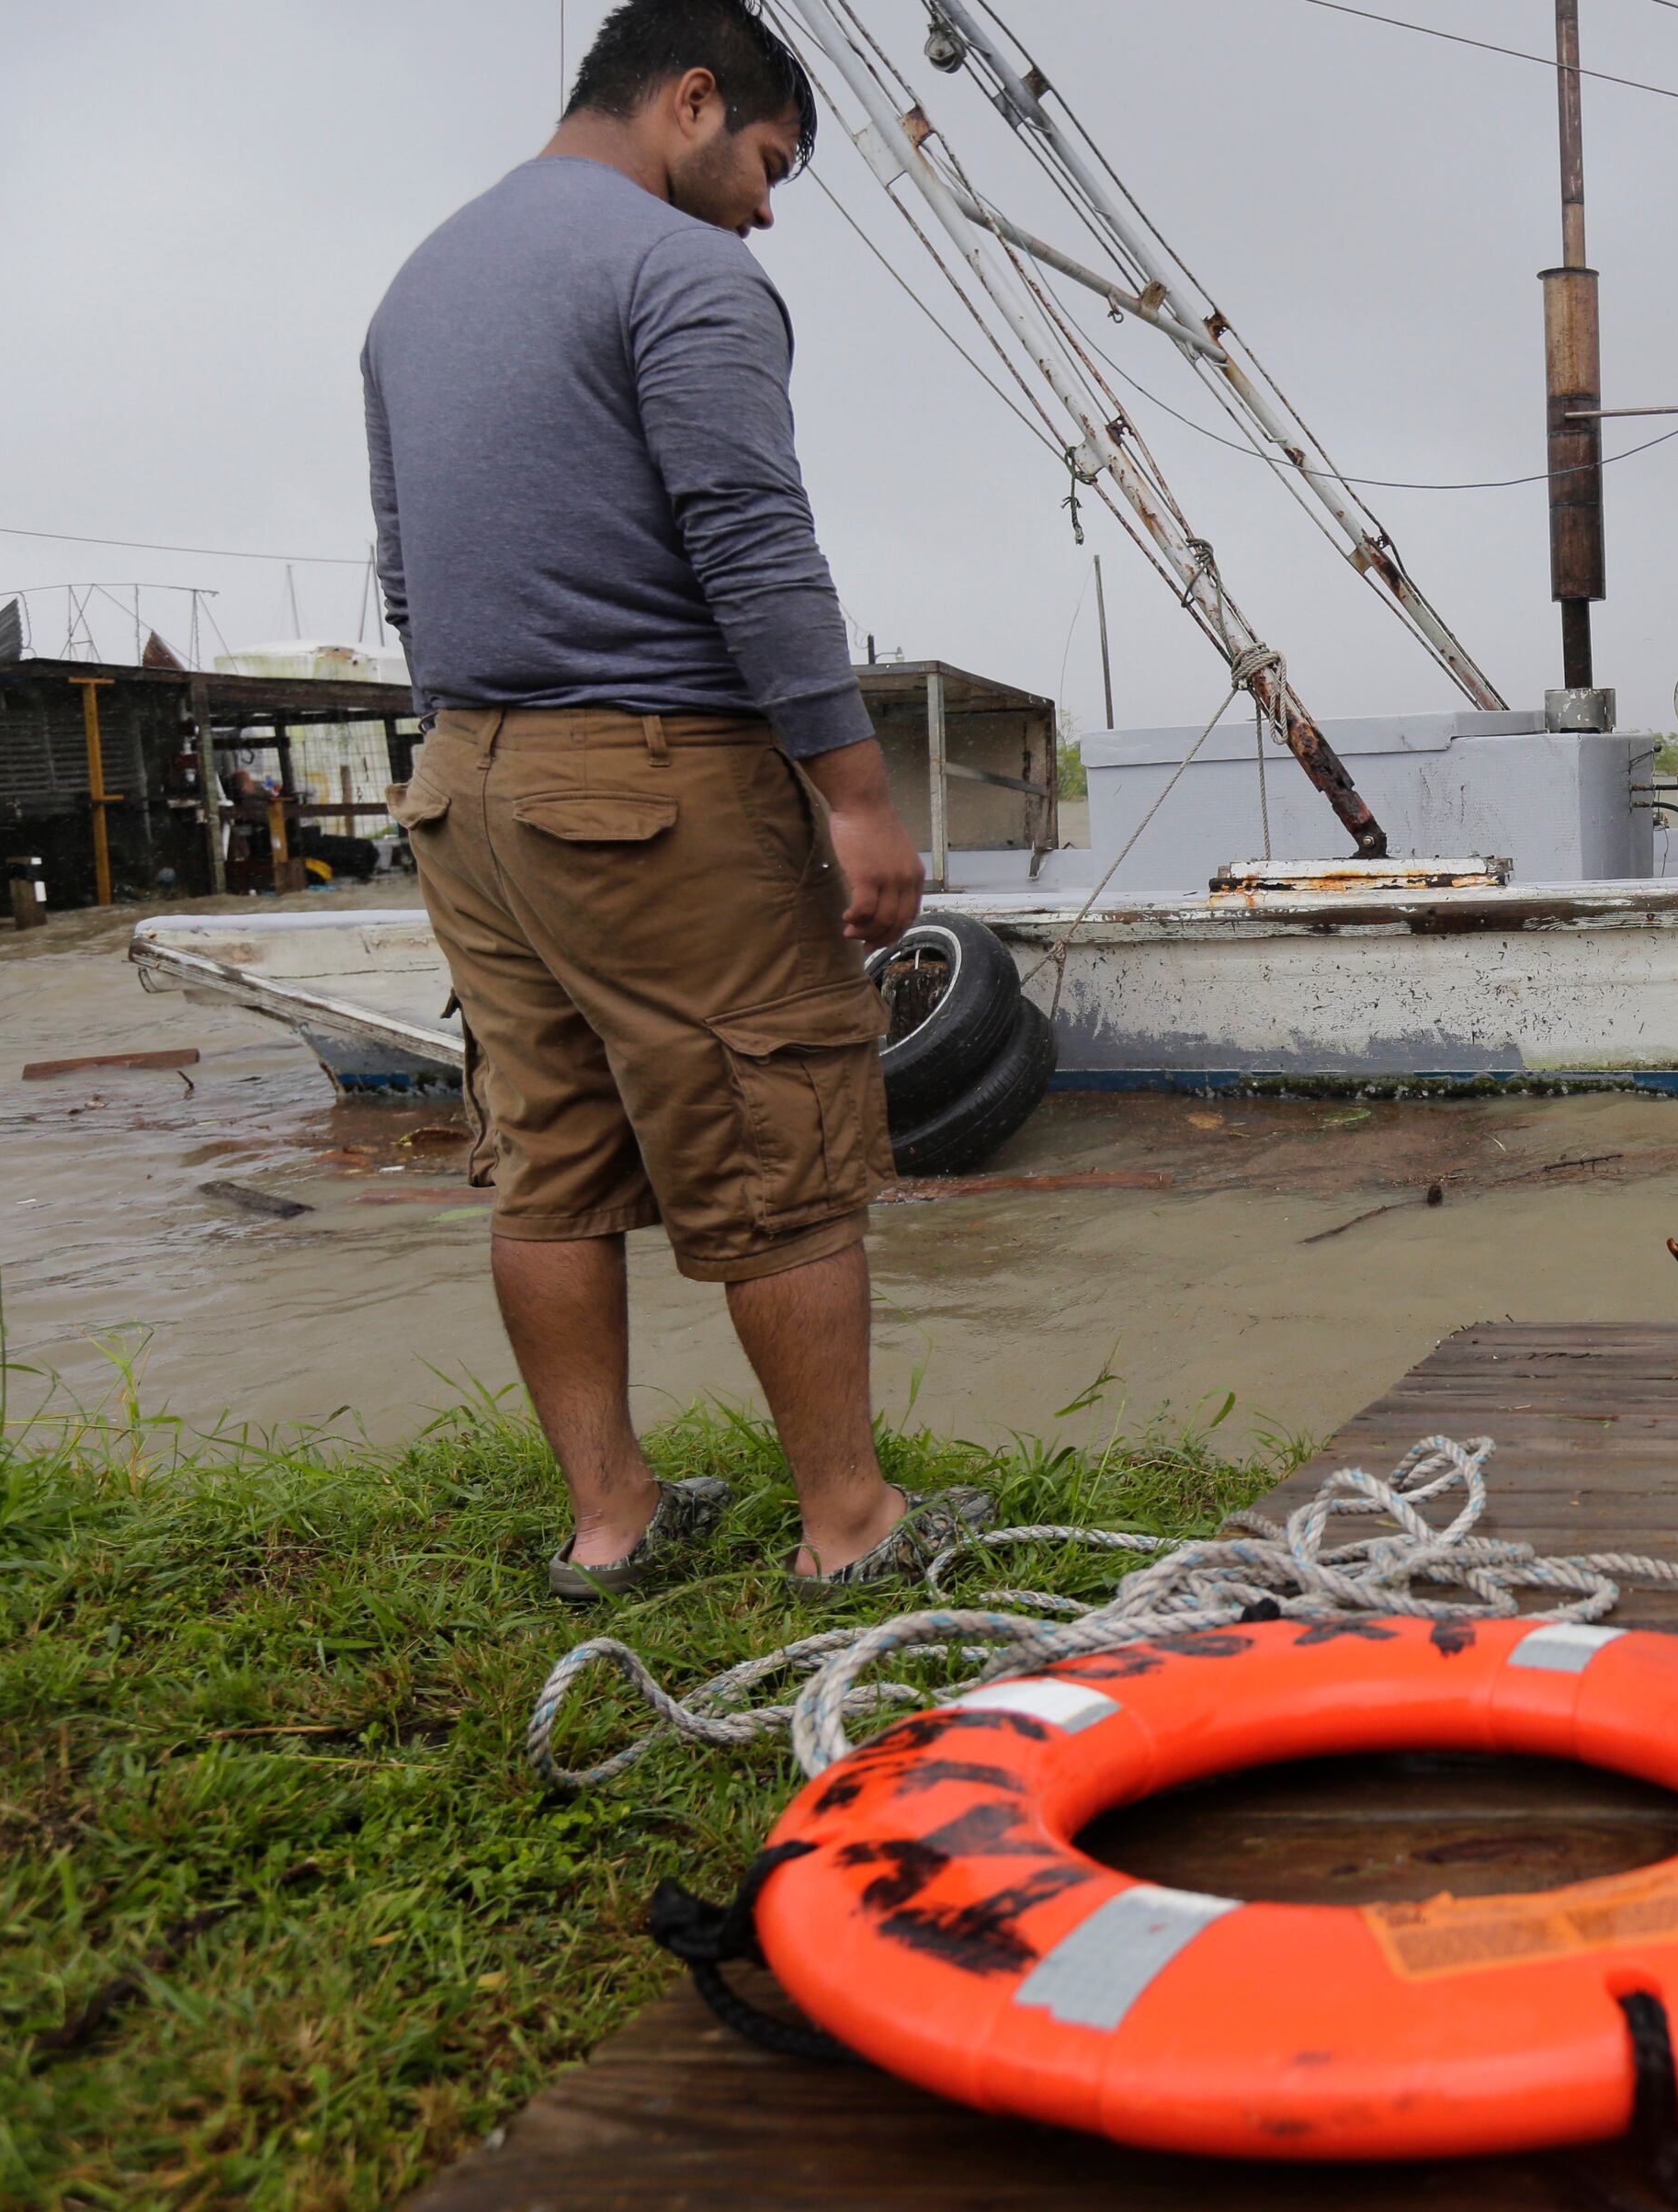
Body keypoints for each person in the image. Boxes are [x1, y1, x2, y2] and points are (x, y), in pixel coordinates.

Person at [365, 0, 962, 1601]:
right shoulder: (685, 272)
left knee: (549, 1150)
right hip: (652, 777)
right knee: (776, 1132)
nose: (767, 206)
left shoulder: (420, 286)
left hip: (465, 784)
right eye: (768, 162)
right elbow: (753, 543)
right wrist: (855, 795)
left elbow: (408, 574)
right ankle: (852, 1523)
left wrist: (484, 746)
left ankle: (610, 1522)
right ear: (692, 100)